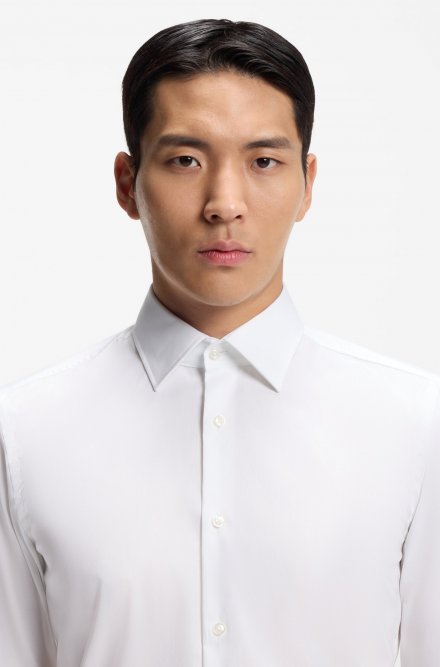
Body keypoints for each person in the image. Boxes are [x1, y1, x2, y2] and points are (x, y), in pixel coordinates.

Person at [0, 17, 438, 667]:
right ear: (127, 183)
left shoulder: (416, 425)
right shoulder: (23, 431)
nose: (224, 203)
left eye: (263, 161)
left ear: (307, 185)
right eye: (185, 160)